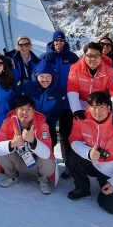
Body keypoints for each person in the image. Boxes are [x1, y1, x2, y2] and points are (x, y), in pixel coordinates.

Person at [66, 91, 113, 214]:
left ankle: (105, 189)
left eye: (102, 107)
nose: (97, 112)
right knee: (72, 157)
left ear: (109, 108)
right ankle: (82, 188)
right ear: (88, 107)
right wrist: (88, 153)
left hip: (109, 167)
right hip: (90, 161)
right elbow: (74, 140)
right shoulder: (80, 120)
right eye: (94, 107)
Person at [0, 96, 57, 194]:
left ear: (33, 111)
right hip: (18, 160)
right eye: (21, 109)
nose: (24, 112)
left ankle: (43, 181)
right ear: (16, 110)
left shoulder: (42, 125)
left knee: (49, 161)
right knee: (2, 154)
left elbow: (47, 153)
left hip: (36, 163)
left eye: (28, 109)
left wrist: (33, 141)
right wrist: (12, 143)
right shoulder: (7, 123)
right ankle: (12, 176)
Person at [39, 30, 79, 177]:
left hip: (68, 102)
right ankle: (47, 162)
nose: (59, 43)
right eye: (57, 40)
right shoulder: (45, 57)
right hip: (52, 101)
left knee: (66, 134)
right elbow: (37, 75)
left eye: (61, 40)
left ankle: (68, 165)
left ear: (64, 42)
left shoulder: (72, 57)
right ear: (53, 41)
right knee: (48, 132)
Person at [67, 42, 113, 124]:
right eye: (90, 55)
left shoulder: (110, 71)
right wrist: (76, 109)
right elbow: (72, 89)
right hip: (81, 106)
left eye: (97, 55)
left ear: (101, 56)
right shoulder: (75, 68)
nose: (93, 59)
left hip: (99, 108)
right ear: (85, 55)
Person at [21, 59, 65, 152]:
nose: (45, 80)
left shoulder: (59, 89)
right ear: (37, 76)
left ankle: (49, 159)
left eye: (48, 76)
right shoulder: (29, 87)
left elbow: (58, 110)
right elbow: (24, 107)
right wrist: (31, 123)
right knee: (28, 143)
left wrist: (45, 124)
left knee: (50, 142)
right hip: (30, 123)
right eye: (42, 76)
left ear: (52, 76)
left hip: (48, 122)